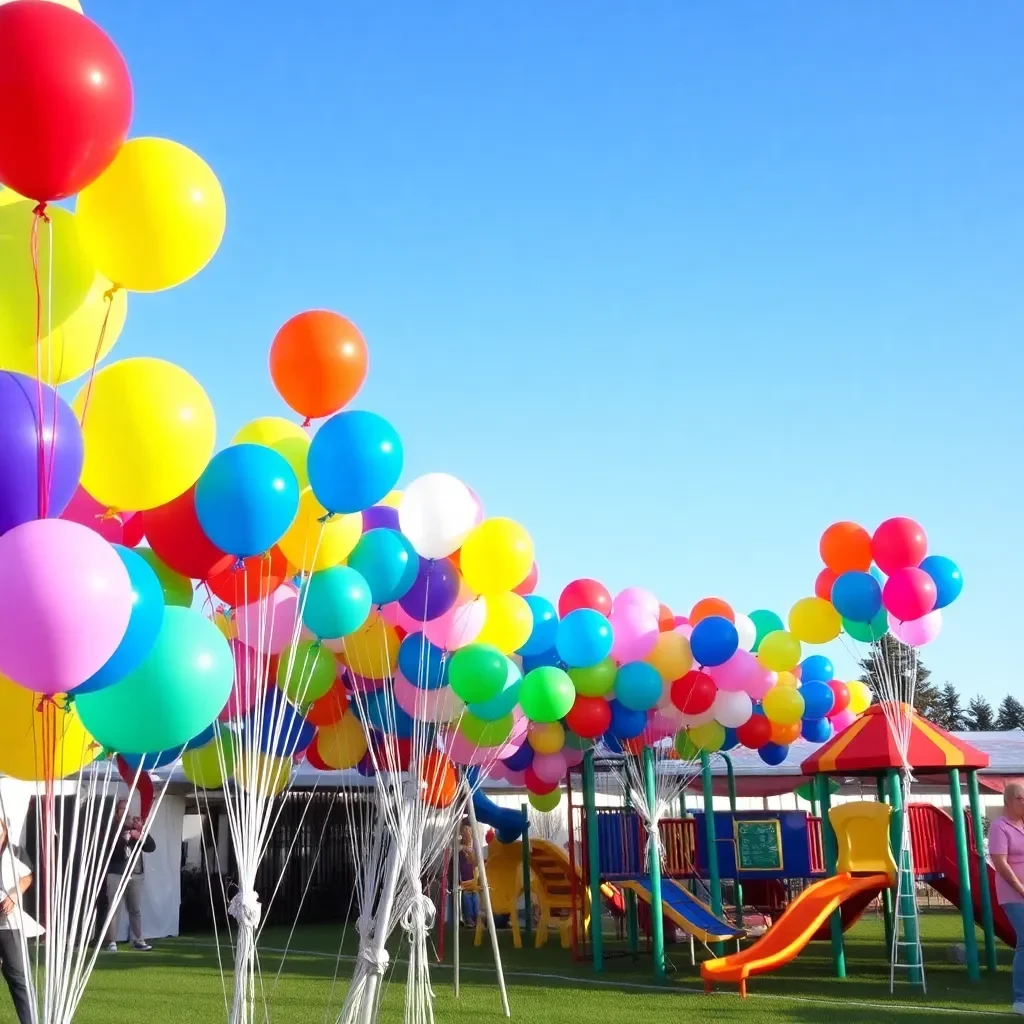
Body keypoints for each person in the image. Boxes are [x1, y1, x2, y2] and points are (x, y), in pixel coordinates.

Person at [0, 816, 39, 1024]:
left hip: (9, 925)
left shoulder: (14, 851)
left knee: (19, 977)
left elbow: (27, 876)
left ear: (4, 830)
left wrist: (14, 895)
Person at [989, 782, 1024, 1014]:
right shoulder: (999, 827)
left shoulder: (1022, 824)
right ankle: (1020, 1000)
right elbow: (1000, 862)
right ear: (1009, 801)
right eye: (1021, 798)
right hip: (1013, 894)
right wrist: (1021, 888)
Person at [104, 800, 156, 952]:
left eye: (127, 808)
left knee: (135, 909)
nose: (125, 811)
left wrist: (141, 832)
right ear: (117, 811)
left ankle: (138, 940)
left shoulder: (134, 828)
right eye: (122, 808)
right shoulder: (111, 828)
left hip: (135, 873)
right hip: (117, 873)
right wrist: (124, 839)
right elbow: (111, 851)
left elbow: (151, 847)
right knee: (114, 908)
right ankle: (111, 941)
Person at [458, 824, 479, 928]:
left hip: (472, 879)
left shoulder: (473, 849)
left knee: (475, 899)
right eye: (465, 831)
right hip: (465, 880)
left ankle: (475, 918)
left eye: (469, 832)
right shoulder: (460, 848)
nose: (467, 834)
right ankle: (469, 919)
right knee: (467, 899)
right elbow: (459, 848)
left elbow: (475, 864)